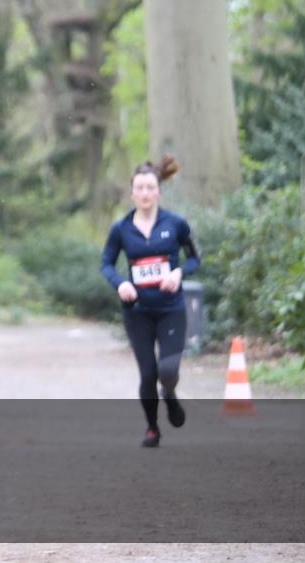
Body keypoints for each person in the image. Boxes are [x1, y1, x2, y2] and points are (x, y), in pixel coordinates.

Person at [100, 156, 201, 448]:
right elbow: (106, 264)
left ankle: (169, 394)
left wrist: (179, 272)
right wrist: (121, 283)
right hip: (138, 312)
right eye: (139, 188)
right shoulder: (121, 229)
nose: (145, 193)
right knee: (147, 374)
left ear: (159, 191)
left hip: (171, 309)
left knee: (167, 372)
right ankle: (153, 428)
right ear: (132, 192)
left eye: (150, 187)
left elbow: (195, 258)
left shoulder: (177, 224)